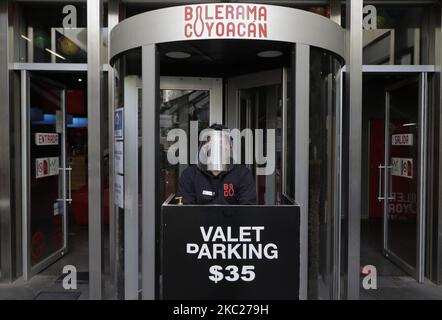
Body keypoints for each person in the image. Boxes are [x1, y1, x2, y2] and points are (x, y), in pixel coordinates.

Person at [176, 123, 256, 205]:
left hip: (233, 218)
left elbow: (247, 209)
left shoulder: (242, 174)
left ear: (230, 148)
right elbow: (186, 211)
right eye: (214, 143)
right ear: (204, 148)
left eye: (223, 143)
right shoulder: (189, 175)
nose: (219, 147)